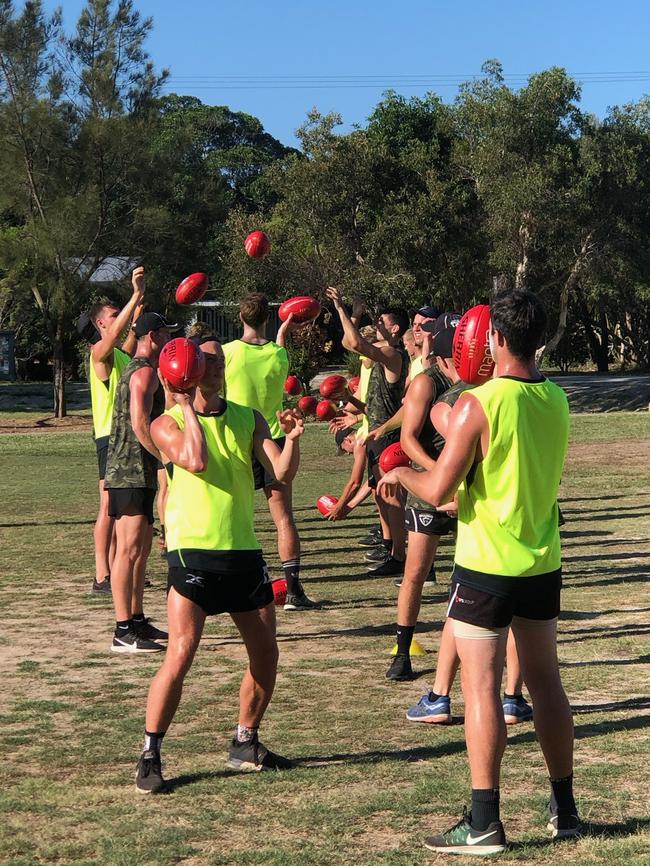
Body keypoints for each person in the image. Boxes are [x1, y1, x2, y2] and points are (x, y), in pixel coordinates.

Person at [377, 289, 578, 853]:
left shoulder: (479, 404)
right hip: (541, 563)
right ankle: (564, 807)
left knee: (482, 690)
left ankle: (485, 820)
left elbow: (440, 488)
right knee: (546, 685)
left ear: (496, 340)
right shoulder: (557, 399)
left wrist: (397, 474)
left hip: (487, 567)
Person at [135, 336, 304, 792]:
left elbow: (282, 472)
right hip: (194, 553)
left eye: (217, 360)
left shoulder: (249, 419)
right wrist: (187, 404)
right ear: (186, 368)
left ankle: (245, 741)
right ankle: (151, 752)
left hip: (243, 552)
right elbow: (196, 457)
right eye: (204, 360)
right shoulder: (165, 423)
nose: (213, 366)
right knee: (182, 653)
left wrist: (290, 437)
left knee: (266, 653)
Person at [222, 294, 315, 611]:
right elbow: (273, 351)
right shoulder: (279, 355)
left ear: (240, 317)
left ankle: (232, 584)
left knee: (235, 516)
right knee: (284, 518)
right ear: (268, 318)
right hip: (274, 441)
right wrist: (283, 331)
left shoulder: (228, 353)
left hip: (238, 439)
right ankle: (292, 591)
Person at [104, 310, 176, 653]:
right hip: (130, 470)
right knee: (129, 550)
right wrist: (164, 458)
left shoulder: (146, 369)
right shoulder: (144, 371)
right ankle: (122, 630)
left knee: (141, 550)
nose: (168, 341)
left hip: (137, 470)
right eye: (165, 334)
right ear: (153, 337)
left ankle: (136, 619)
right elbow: (138, 422)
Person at [326, 287, 409, 577]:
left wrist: (340, 306)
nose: (377, 324)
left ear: (395, 329)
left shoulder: (392, 354)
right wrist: (348, 401)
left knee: (392, 497)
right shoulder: (381, 357)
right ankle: (392, 551)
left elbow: (355, 343)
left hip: (387, 435)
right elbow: (352, 343)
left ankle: (400, 555)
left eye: (382, 321)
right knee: (381, 496)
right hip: (375, 433)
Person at [78, 267, 145, 594]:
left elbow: (130, 344)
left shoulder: (118, 354)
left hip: (125, 437)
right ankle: (102, 575)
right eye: (113, 316)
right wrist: (133, 296)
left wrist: (138, 309)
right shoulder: (98, 354)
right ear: (101, 323)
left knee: (122, 508)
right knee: (107, 506)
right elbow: (118, 340)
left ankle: (121, 570)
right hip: (109, 438)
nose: (117, 319)